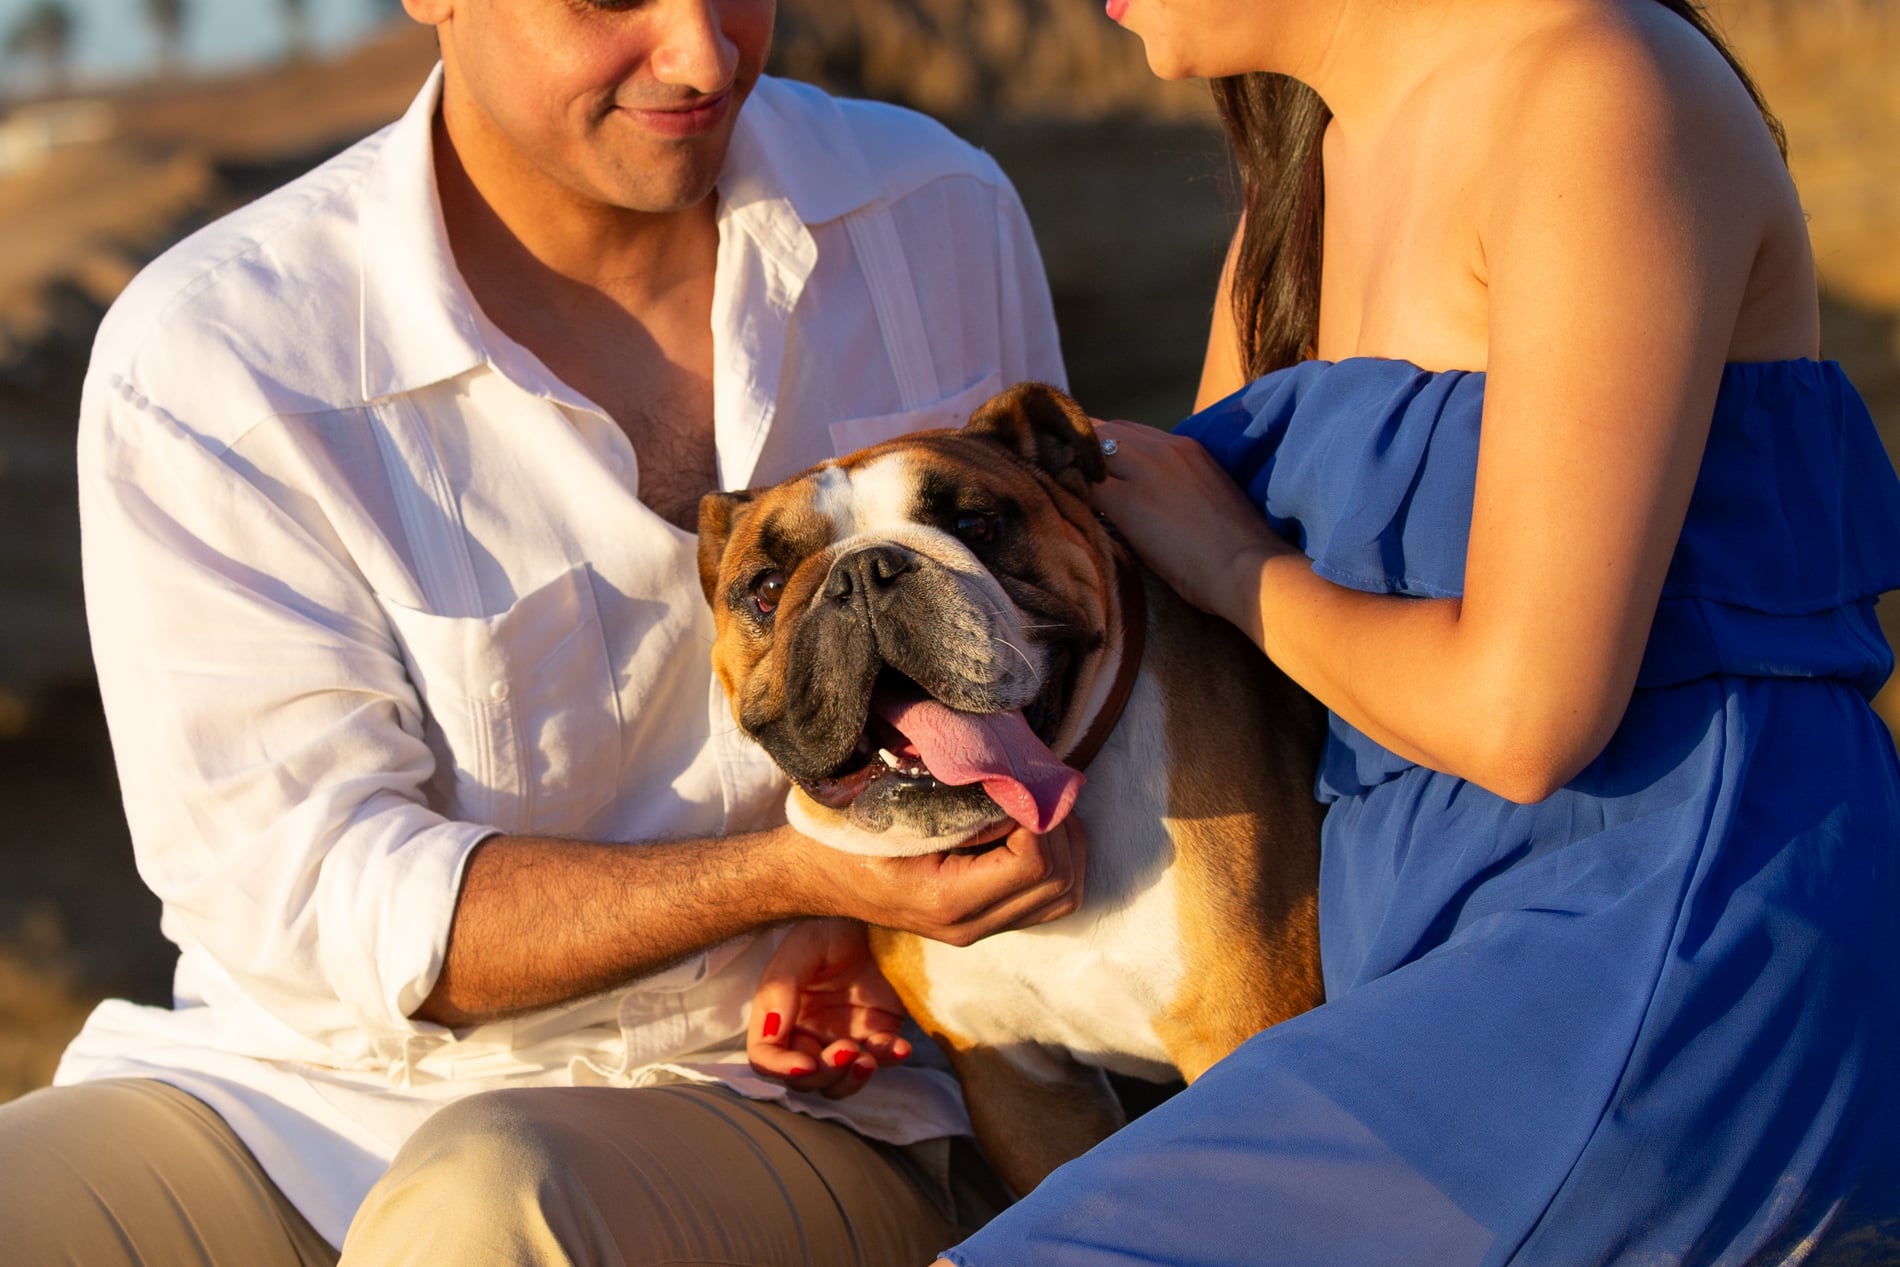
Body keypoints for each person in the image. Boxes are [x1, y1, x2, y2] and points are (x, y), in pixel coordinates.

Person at [0, 1, 1086, 1263]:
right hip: (296, 1090)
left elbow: (1064, 640)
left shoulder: (928, 214)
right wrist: (794, 880)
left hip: (800, 1094)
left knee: (486, 1211)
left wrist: (858, 924)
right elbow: (316, 896)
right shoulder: (218, 358)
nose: (702, 55)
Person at [940, 0, 1900, 1264]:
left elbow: (1524, 719)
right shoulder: (1299, 183)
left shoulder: (1596, 89)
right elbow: (1218, 686)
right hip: (1403, 945)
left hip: (1665, 938)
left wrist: (1235, 561)